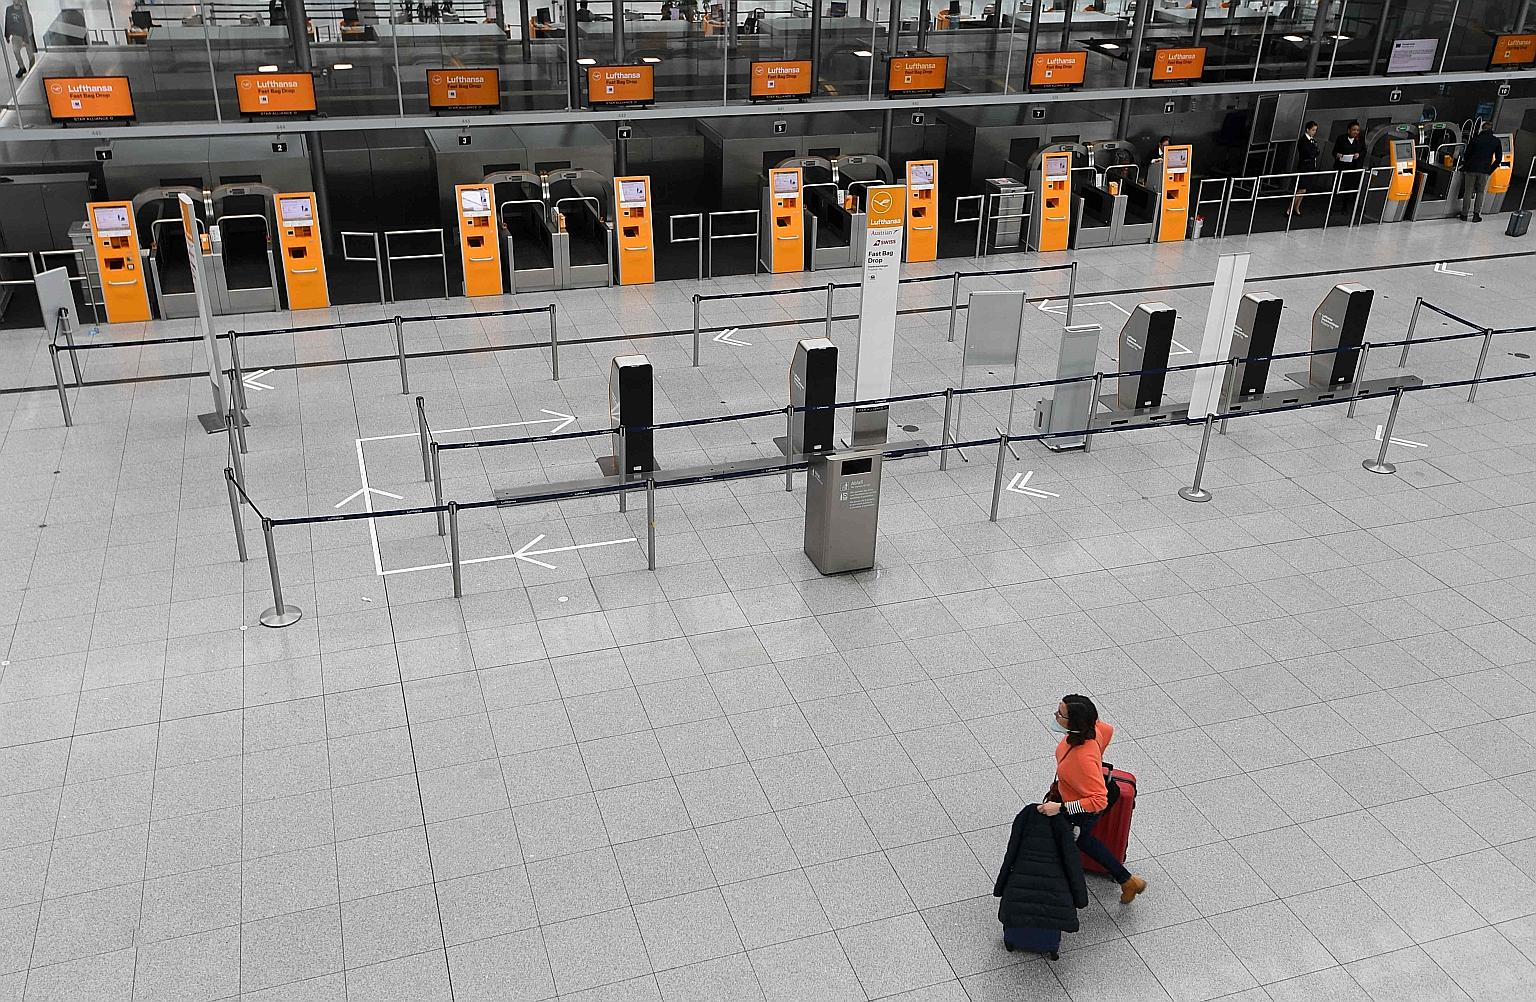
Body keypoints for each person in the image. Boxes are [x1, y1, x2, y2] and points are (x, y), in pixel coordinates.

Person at [1037, 695, 1147, 904]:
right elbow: (1108, 729)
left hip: (1082, 810)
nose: (1056, 715)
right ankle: (1128, 881)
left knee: (1073, 838)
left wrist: (1060, 808)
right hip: (1092, 793)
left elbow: (1098, 801)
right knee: (1084, 840)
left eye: (1061, 714)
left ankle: (1126, 880)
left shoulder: (1082, 757)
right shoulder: (1094, 731)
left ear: (1075, 722)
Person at [1459, 122, 1502, 223]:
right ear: (1492, 129)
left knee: (1468, 192)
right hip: (1484, 170)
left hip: (1471, 169)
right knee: (1480, 192)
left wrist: (1466, 165)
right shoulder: (1496, 141)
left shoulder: (1475, 139)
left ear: (1482, 129)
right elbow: (1499, 158)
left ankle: (1464, 214)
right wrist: (1490, 170)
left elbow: (1466, 155)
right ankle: (1476, 215)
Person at [1289, 120, 1320, 217]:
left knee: (1304, 189)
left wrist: (1314, 152)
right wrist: (1314, 152)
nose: (1314, 132)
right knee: (1300, 189)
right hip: (1304, 166)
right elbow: (1308, 153)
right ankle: (1290, 208)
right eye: (1313, 130)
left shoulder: (1313, 141)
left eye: (1315, 130)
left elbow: (1317, 152)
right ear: (1307, 129)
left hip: (1311, 166)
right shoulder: (1303, 140)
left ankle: (1297, 207)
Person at [5, 0, 33, 78]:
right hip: (16, 36)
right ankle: (21, 67)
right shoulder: (9, 9)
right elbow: (7, 21)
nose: (15, 1)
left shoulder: (24, 12)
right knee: (15, 51)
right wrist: (7, 35)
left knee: (30, 54)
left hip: (26, 35)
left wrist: (26, 39)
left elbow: (29, 26)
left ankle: (32, 70)